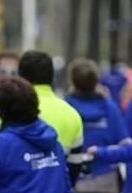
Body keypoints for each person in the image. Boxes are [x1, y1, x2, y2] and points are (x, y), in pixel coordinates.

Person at [65, 59, 128, 193]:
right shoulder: (109, 107)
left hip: (74, 178)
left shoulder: (66, 107)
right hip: (106, 178)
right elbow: (124, 142)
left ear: (73, 81)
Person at [19, 51, 85, 181]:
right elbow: (75, 166)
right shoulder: (72, 114)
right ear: (52, 77)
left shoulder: (5, 107)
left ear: (21, 77)